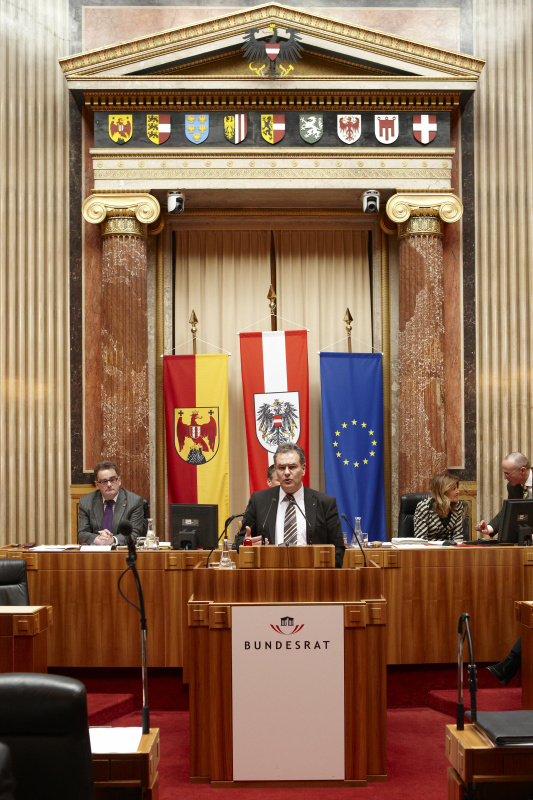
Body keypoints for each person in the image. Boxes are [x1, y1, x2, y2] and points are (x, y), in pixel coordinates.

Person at [235, 443, 345, 568]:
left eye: (292, 467)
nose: (287, 472)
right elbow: (239, 542)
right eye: (281, 468)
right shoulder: (259, 500)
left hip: (313, 579)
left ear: (303, 469)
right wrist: (246, 545)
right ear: (276, 470)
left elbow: (338, 550)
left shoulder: (325, 503)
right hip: (269, 577)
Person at [77, 460, 144, 546]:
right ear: (97, 485)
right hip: (95, 554)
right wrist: (97, 539)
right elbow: (82, 534)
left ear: (119, 480)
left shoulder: (134, 501)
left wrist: (112, 540)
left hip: (121, 554)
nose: (109, 484)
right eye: (104, 481)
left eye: (112, 480)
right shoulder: (86, 502)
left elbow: (134, 534)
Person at [476, 451, 532, 537]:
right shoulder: (513, 486)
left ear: (522, 470)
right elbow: (510, 511)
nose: (505, 478)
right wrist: (490, 528)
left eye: (508, 473)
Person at [413, 473, 465, 542]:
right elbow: (420, 540)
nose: (458, 491)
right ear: (443, 491)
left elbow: (458, 536)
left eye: (457, 488)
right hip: (429, 550)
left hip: (449, 550)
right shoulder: (424, 507)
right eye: (454, 489)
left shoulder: (458, 506)